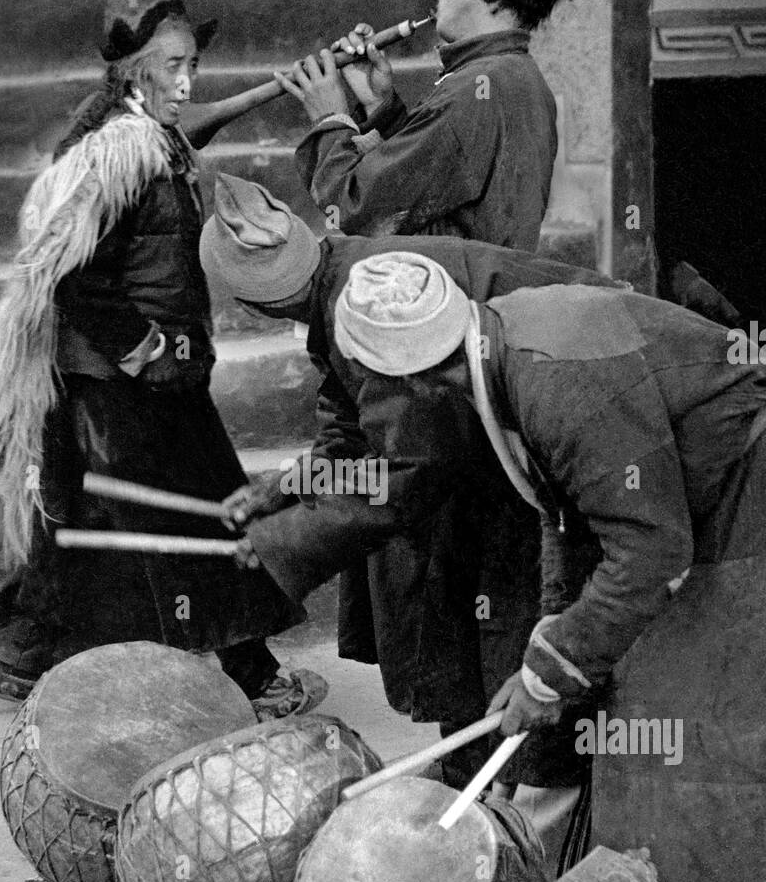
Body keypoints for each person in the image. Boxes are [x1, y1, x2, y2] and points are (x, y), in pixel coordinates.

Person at [257, 254, 766, 882]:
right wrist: (549, 645)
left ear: (418, 380)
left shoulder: (559, 381)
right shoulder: (494, 348)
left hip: (742, 500)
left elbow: (649, 551)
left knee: (688, 741)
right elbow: (574, 515)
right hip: (687, 506)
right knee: (631, 716)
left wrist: (553, 670)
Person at [202, 174, 622, 825]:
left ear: (258, 302)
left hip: (574, 416)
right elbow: (354, 431)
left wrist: (281, 545)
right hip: (484, 435)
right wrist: (285, 488)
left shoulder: (367, 298)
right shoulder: (337, 273)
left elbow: (405, 479)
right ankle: (470, 765)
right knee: (444, 583)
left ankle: (533, 791)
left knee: (504, 603)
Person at [0, 0, 324, 719]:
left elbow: (188, 129)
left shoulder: (119, 126)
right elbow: (77, 282)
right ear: (135, 70)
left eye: (194, 64)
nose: (189, 82)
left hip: (91, 375)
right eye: (174, 66)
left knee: (73, 517)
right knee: (203, 515)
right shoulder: (127, 151)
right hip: (132, 378)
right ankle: (252, 673)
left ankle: (22, 656)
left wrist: (276, 91)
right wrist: (153, 353)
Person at [276, 0, 573, 246]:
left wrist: (331, 119)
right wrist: (379, 107)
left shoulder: (475, 89)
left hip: (458, 292)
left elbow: (359, 205)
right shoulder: (516, 76)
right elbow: (436, 189)